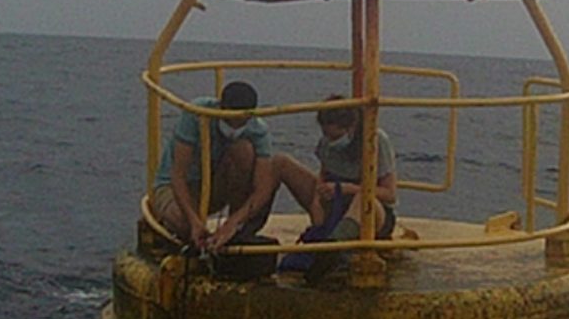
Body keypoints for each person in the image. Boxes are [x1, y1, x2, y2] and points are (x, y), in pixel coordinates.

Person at [149, 80, 283, 253]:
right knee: (184, 226)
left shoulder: (257, 129)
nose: (234, 127)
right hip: (173, 185)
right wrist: (194, 222)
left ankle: (235, 234)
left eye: (241, 121)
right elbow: (178, 175)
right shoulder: (197, 113)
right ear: (220, 107)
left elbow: (263, 187)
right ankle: (174, 220)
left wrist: (233, 223)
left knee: (244, 150)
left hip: (214, 186)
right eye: (230, 120)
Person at [275, 98, 398, 242]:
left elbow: (390, 194)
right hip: (334, 204)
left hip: (370, 211)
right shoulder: (326, 142)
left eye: (336, 136)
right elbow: (323, 173)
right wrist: (316, 201)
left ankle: (335, 243)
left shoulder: (376, 140)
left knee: (362, 198)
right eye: (327, 135)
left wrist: (348, 189)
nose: (331, 141)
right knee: (281, 162)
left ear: (351, 127)